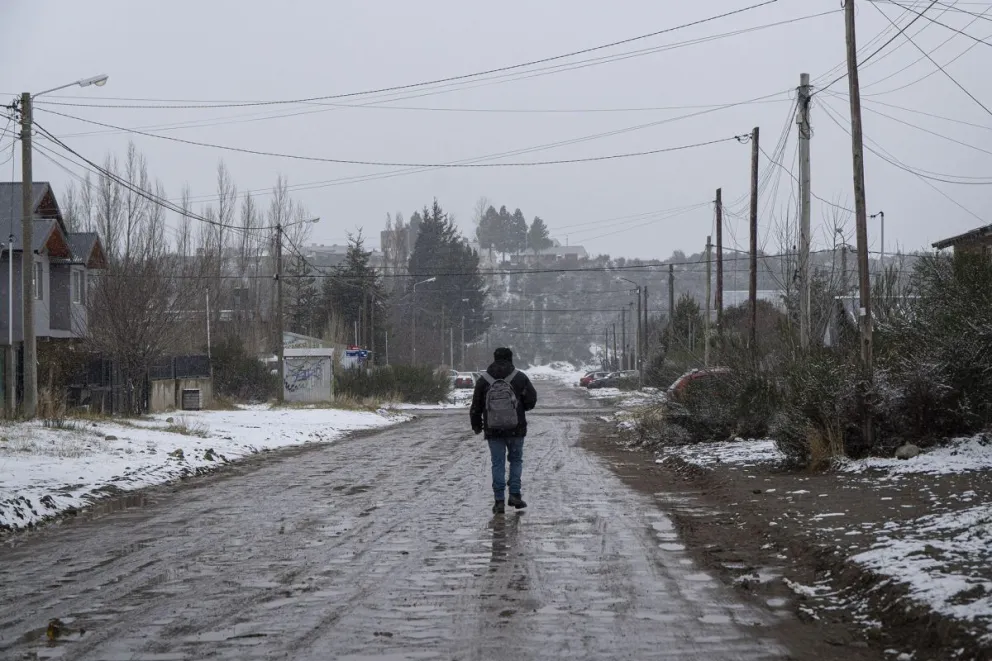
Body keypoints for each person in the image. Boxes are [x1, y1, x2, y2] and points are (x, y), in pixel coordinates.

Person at [470, 347, 538, 514]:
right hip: (516, 429)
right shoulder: (520, 377)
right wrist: (520, 409)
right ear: (511, 359)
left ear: (494, 359)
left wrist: (477, 425)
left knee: (497, 463)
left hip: (493, 430)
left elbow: (476, 406)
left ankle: (499, 500)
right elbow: (531, 400)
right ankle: (514, 494)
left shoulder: (484, 379)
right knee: (516, 460)